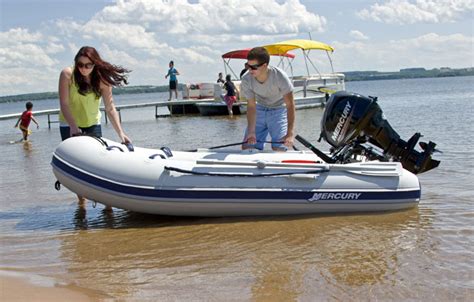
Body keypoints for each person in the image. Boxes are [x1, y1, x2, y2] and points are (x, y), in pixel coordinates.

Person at [58, 46, 132, 209]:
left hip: (92, 123)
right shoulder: (67, 75)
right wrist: (73, 126)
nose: (83, 68)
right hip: (69, 123)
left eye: (88, 65)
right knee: (76, 164)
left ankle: (107, 204)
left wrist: (121, 133)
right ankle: (81, 201)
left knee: (100, 163)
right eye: (80, 64)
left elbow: (110, 108)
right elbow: (64, 103)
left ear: (95, 64)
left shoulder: (102, 80)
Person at [240, 47, 295, 151]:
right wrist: (251, 132)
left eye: (254, 67)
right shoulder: (246, 79)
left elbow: (290, 105)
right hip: (259, 109)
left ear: (264, 65)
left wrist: (290, 133)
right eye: (248, 66)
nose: (250, 70)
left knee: (279, 147)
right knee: (247, 146)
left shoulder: (280, 76)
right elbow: (251, 106)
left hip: (278, 110)